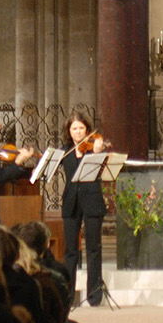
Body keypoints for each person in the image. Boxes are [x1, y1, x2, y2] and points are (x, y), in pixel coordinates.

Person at [58, 113, 110, 308]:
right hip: (71, 201)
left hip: (92, 199)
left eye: (81, 128)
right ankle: (68, 295)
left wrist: (98, 151)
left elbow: (103, 163)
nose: (78, 132)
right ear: (69, 131)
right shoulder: (64, 151)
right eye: (74, 129)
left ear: (87, 130)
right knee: (70, 250)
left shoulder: (93, 148)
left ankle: (94, 295)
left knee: (94, 248)